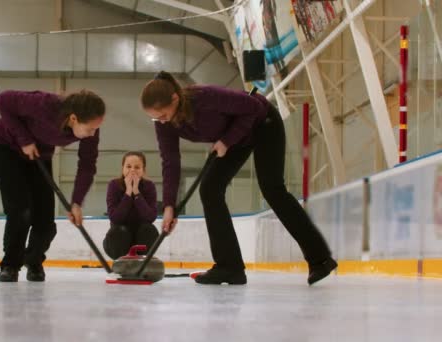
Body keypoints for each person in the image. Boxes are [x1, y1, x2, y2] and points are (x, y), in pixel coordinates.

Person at [140, 71, 337, 285]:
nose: (160, 121)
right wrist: (169, 205)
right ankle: (229, 267)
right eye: (155, 117)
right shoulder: (164, 124)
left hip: (263, 123)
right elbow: (170, 161)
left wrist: (226, 141)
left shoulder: (204, 97)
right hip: (235, 139)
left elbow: (254, 107)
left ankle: (320, 259)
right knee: (210, 189)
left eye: (162, 114)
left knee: (272, 189)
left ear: (175, 99)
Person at [0, 88, 105, 282]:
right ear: (73, 118)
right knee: (21, 209)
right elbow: (3, 100)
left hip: (38, 156)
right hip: (4, 148)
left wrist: (76, 202)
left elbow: (87, 166)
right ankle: (10, 265)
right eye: (90, 128)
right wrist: (24, 139)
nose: (93, 134)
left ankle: (33, 261)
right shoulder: (46, 105)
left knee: (45, 220)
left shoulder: (91, 132)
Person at [103, 151, 159, 259]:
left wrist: (136, 192)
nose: (132, 170)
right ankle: (121, 260)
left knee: (149, 229)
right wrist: (128, 192)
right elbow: (115, 218)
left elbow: (150, 217)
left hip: (141, 238)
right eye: (128, 166)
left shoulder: (149, 186)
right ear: (123, 168)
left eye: (137, 167)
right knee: (119, 231)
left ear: (143, 170)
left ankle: (143, 260)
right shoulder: (114, 185)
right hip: (118, 241)